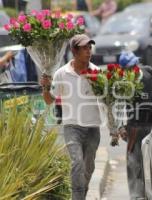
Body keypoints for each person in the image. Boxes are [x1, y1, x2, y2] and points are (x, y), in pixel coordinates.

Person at [40, 34, 101, 200]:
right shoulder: (62, 73)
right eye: (84, 48)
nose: (88, 51)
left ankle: (83, 190)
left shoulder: (96, 72)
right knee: (77, 163)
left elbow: (106, 99)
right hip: (72, 126)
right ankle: (77, 197)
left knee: (88, 167)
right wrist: (45, 88)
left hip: (92, 126)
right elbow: (49, 100)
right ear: (74, 51)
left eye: (90, 47)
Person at [118, 51, 152, 200]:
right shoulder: (121, 81)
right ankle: (137, 196)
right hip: (133, 127)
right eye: (129, 67)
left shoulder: (147, 72)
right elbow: (117, 105)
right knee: (134, 163)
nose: (134, 68)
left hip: (151, 124)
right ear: (124, 69)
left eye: (135, 64)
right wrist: (120, 126)